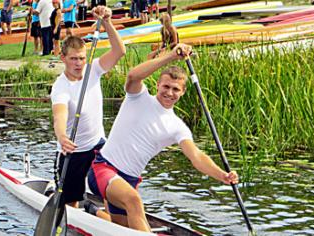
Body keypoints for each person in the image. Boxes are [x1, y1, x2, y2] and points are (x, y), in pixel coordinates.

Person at [87, 44, 239, 232]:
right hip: (103, 169)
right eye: (166, 86)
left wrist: (223, 176)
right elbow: (133, 76)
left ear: (182, 92)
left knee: (122, 228)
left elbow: (197, 157)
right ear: (157, 84)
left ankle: (93, 211)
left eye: (175, 89)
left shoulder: (177, 127)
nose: (169, 92)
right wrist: (170, 56)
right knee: (134, 202)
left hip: (129, 181)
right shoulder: (138, 97)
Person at [49, 5, 125, 216]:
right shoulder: (61, 87)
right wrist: (62, 135)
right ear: (62, 58)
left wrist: (107, 22)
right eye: (73, 59)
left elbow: (120, 51)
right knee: (71, 203)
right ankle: (84, 213)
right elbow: (59, 115)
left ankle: (112, 222)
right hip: (72, 152)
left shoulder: (94, 69)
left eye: (82, 58)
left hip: (98, 145)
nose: (79, 63)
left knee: (111, 189)